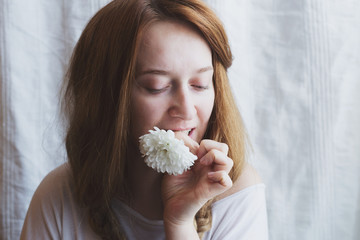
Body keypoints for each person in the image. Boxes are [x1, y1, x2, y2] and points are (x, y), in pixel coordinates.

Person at [20, 0, 268, 239]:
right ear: (107, 97)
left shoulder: (234, 192)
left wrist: (179, 223)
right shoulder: (59, 196)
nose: (186, 109)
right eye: (156, 86)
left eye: (200, 85)